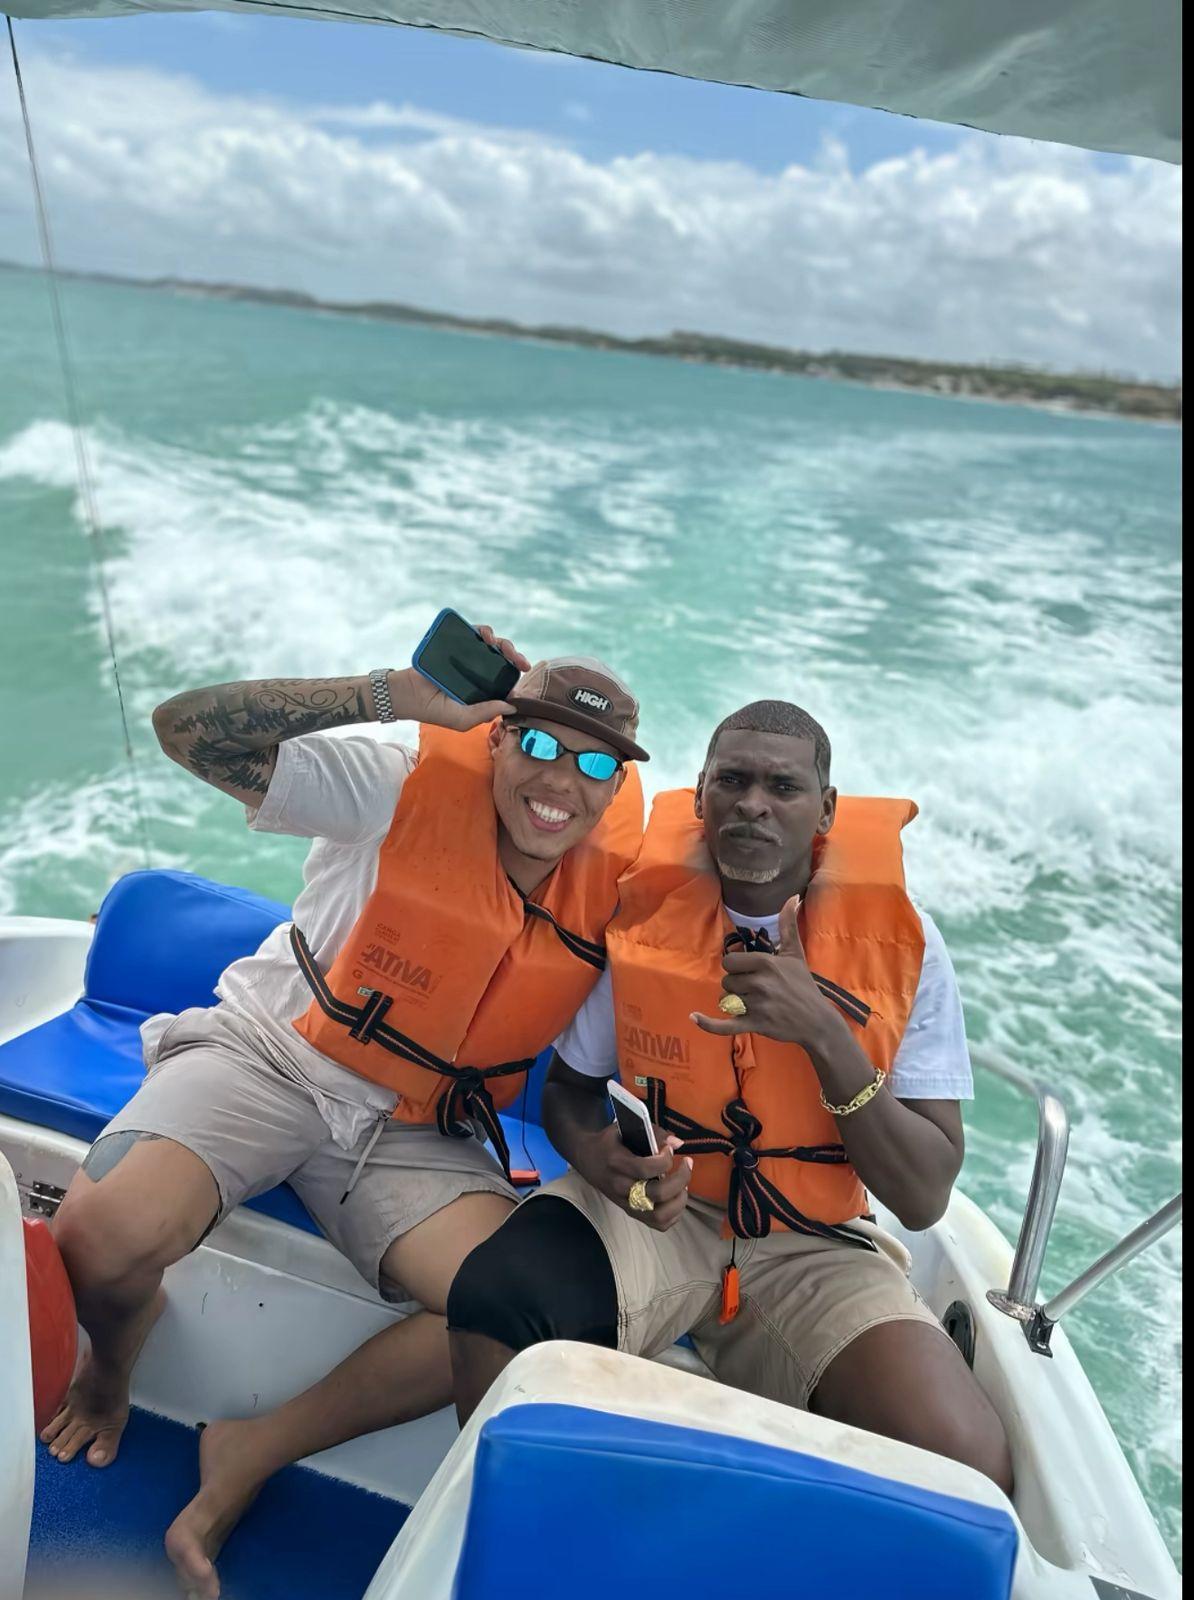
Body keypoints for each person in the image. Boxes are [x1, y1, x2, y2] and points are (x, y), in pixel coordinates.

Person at [42, 626, 648, 1599]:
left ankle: (253, 1448)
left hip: (418, 1126)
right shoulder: (394, 782)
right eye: (538, 742)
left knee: (524, 1317)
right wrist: (392, 694)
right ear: (495, 736)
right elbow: (185, 730)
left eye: (594, 763)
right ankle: (112, 1363)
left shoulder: (617, 890)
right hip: (272, 1053)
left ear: (619, 786)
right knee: (101, 1236)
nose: (560, 780)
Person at [447, 699, 1013, 1495]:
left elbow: (922, 1199)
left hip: (814, 1243)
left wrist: (824, 1034)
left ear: (827, 808)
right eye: (732, 781)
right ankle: (522, 1527)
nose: (752, 804)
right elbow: (570, 1093)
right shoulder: (644, 912)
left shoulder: (903, 943)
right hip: (663, 1217)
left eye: (783, 787)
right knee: (496, 1299)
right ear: (701, 793)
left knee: (965, 1457)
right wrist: (608, 1164)